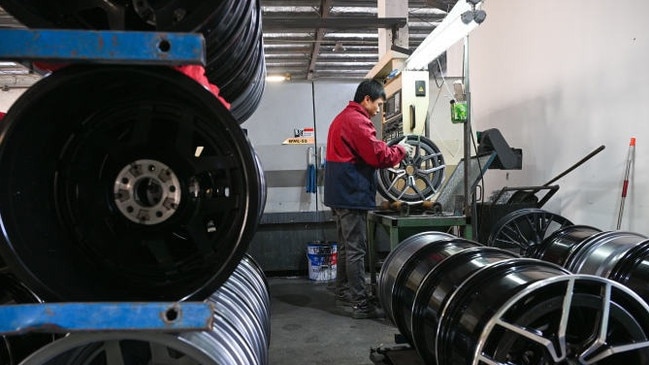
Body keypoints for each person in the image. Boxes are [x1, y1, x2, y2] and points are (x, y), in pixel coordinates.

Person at [324, 79, 413, 319]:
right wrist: (402, 151)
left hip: (339, 194)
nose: (378, 110)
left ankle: (344, 293)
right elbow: (377, 156)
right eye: (379, 104)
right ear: (366, 99)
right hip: (351, 193)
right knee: (356, 250)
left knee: (345, 247)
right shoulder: (357, 121)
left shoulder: (343, 117)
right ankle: (360, 304)